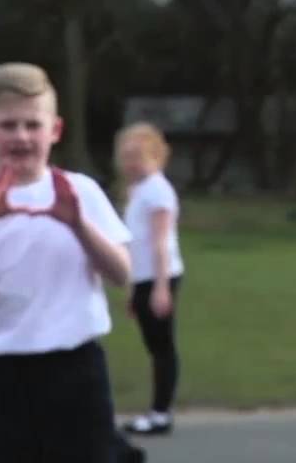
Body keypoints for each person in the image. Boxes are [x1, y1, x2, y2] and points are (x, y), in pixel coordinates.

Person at [0, 62, 133, 463]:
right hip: (1, 374)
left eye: (32, 125)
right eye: (8, 125)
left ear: (54, 130)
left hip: (75, 369)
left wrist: (78, 225)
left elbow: (120, 273)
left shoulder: (80, 192)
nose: (21, 137)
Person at [114, 122, 185, 436]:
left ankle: (160, 414)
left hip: (160, 276)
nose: (131, 163)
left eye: (138, 156)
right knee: (154, 346)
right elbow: (133, 243)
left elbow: (160, 242)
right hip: (143, 278)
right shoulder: (138, 190)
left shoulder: (158, 190)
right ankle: (157, 411)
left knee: (162, 347)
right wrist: (132, 289)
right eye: (127, 157)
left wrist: (160, 288)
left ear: (156, 156)